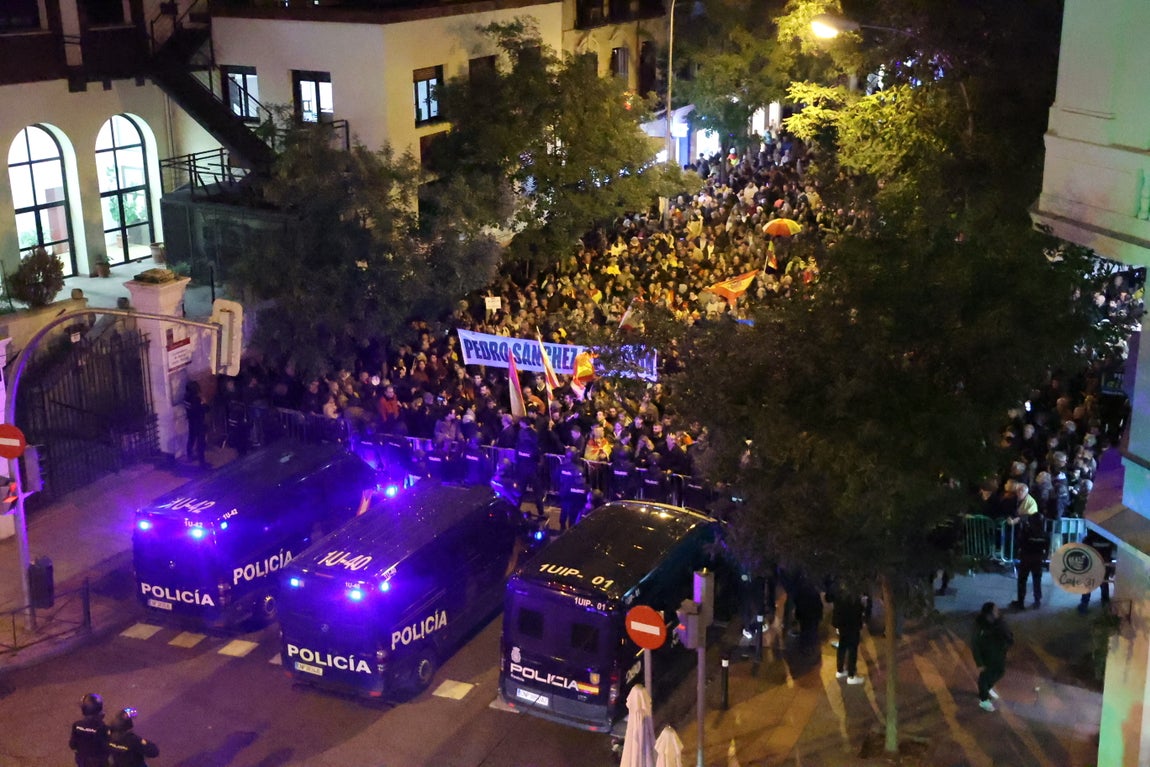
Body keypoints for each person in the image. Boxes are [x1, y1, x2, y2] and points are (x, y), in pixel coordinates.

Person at [1010, 488, 1049, 609]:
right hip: (1037, 559)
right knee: (1037, 581)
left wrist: (1019, 552)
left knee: (1022, 580)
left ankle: (1020, 602)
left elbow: (1020, 543)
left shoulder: (1027, 532)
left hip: (1026, 558)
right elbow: (1046, 548)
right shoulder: (1044, 535)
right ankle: (1037, 601)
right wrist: (1043, 558)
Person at [971, 602, 1013, 712]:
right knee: (984, 679)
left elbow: (1007, 636)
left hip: (999, 655)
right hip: (987, 658)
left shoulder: (999, 622)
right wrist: (979, 663)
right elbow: (975, 645)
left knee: (1000, 673)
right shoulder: (981, 627)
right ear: (988, 614)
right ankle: (984, 700)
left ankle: (987, 689)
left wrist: (1006, 646)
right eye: (995, 610)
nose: (997, 611)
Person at [832, 593, 867, 685]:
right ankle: (851, 675)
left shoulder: (840, 590)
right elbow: (857, 609)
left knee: (842, 646)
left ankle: (840, 670)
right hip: (852, 625)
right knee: (852, 649)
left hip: (841, 623)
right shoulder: (853, 594)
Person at [69, 692, 109, 767]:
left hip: (83, 761)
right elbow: (106, 748)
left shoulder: (77, 725)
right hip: (98, 763)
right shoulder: (102, 727)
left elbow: (72, 745)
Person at [184, 380, 208, 467]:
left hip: (191, 422)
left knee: (191, 439)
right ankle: (202, 462)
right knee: (200, 442)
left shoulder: (186, 398)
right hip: (199, 422)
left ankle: (189, 455)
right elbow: (205, 409)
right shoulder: (197, 399)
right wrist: (204, 403)